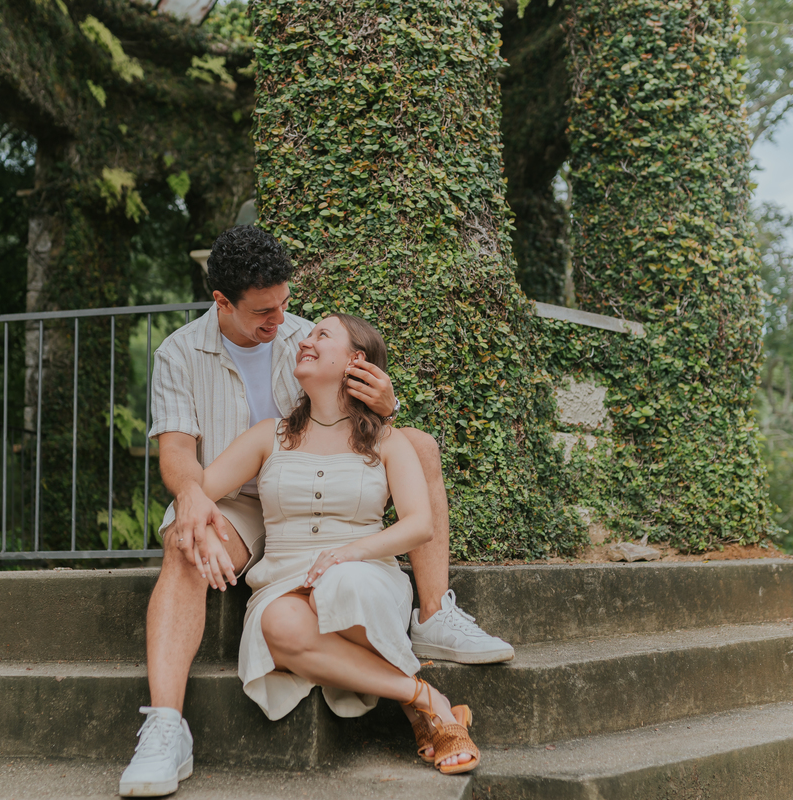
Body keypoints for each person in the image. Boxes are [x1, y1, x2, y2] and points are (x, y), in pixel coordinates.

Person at [118, 226, 509, 797]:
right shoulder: (179, 352)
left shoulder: (307, 339)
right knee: (184, 540)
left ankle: (432, 612)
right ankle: (164, 728)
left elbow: (373, 418)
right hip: (232, 496)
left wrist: (388, 404)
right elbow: (178, 454)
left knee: (418, 444)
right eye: (263, 313)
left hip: (300, 488)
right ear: (221, 301)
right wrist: (193, 498)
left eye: (284, 305)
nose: (281, 323)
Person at [202, 313, 479, 774]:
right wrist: (203, 527)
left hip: (365, 575)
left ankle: (428, 710)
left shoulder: (388, 442)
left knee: (343, 583)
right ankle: (424, 697)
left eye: (320, 334)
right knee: (279, 625)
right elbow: (200, 488)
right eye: (308, 335)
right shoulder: (268, 436)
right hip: (283, 583)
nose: (305, 341)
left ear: (356, 360)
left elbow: (418, 525)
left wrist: (350, 552)